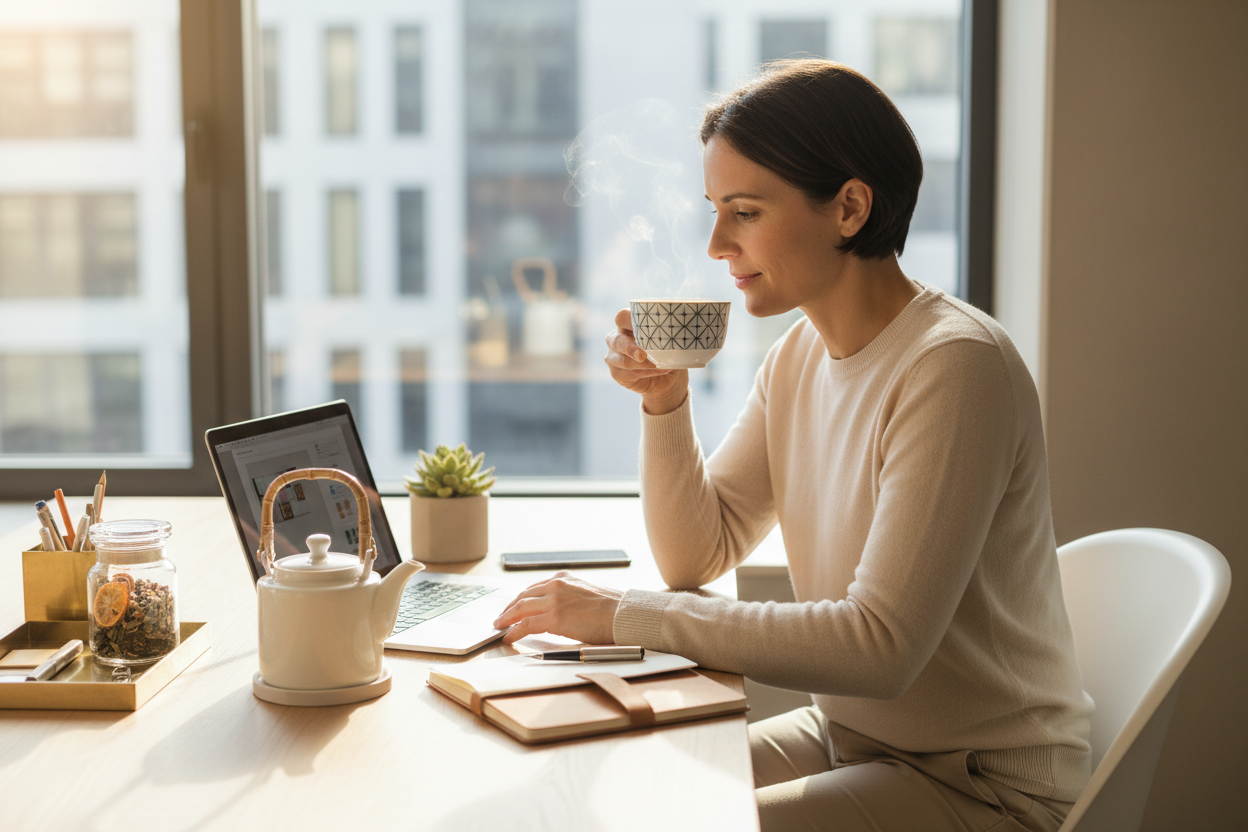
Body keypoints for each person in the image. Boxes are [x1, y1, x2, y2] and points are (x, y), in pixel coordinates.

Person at [493, 59, 1093, 832]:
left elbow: (879, 648)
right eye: (715, 210)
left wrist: (624, 615)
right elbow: (696, 555)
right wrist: (665, 403)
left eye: (743, 212)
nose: (715, 244)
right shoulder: (800, 356)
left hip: (979, 786)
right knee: (614, 790)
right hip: (855, 740)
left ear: (848, 208)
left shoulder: (954, 366)